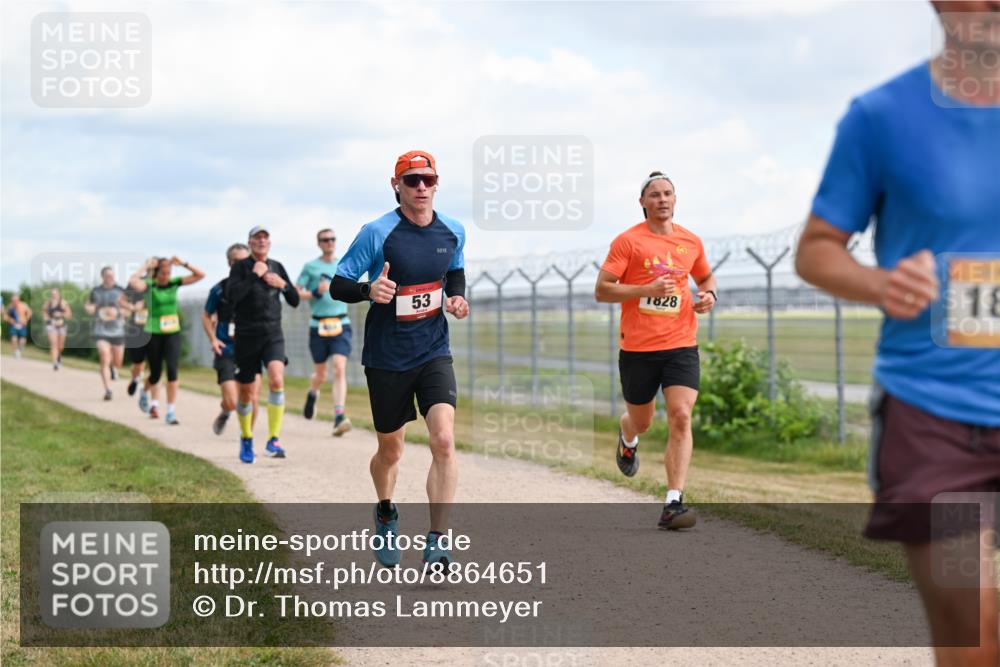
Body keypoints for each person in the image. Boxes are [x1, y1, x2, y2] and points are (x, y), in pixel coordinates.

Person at [795, 4, 999, 663]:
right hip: (938, 420)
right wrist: (884, 284)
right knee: (975, 629)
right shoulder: (881, 117)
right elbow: (817, 249)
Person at [332, 150, 468, 569]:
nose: (421, 187)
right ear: (397, 185)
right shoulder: (377, 232)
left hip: (433, 351)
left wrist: (457, 297)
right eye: (412, 181)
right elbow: (338, 283)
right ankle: (386, 510)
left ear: (437, 183)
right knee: (391, 451)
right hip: (388, 357)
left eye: (428, 179)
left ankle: (438, 540)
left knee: (443, 440)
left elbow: (455, 269)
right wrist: (367, 291)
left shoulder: (454, 229)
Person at [595, 171, 717, 530]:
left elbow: (706, 277)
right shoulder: (628, 242)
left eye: (668, 193)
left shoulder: (690, 241)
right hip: (637, 348)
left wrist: (709, 295)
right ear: (643, 202)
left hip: (681, 344)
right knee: (643, 422)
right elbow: (602, 290)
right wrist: (643, 289)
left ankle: (673, 502)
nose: (662, 199)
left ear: (675, 200)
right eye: (654, 194)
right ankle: (628, 435)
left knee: (681, 415)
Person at [226, 226, 299, 462]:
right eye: (257, 238)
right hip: (246, 336)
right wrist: (254, 275)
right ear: (250, 242)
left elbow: (295, 300)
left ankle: (273, 439)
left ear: (269, 243)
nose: (261, 241)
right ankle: (246, 437)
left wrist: (283, 285)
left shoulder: (277, 266)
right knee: (247, 393)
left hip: (272, 334)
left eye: (265, 237)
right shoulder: (240, 267)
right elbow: (232, 297)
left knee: (277, 379)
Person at [128, 256, 205, 422]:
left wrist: (184, 263)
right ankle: (144, 391)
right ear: (156, 273)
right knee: (155, 374)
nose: (166, 276)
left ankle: (170, 412)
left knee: (172, 369)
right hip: (153, 332)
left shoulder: (174, 282)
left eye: (169, 272)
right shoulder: (149, 285)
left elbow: (200, 275)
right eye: (163, 273)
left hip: (172, 331)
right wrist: (145, 266)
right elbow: (133, 281)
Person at [297, 228, 353, 435]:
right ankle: (313, 392)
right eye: (325, 240)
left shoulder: (344, 265)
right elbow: (296, 293)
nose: (329, 242)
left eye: (332, 239)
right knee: (321, 374)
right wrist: (314, 292)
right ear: (318, 243)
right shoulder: (311, 267)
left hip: (341, 323)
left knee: (339, 367)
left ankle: (339, 415)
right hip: (318, 326)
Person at [202, 243, 261, 435]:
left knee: (252, 396)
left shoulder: (258, 287)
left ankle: (247, 439)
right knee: (232, 401)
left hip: (251, 348)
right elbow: (206, 315)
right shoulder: (219, 290)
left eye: (245, 260)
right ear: (229, 263)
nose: (241, 264)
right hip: (226, 349)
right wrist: (213, 339)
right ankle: (226, 410)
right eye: (236, 261)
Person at [85, 267, 130, 400]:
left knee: (118, 361)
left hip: (117, 331)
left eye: (112, 275)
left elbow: (128, 310)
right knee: (104, 356)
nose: (110, 277)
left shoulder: (120, 290)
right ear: (102, 276)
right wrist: (90, 309)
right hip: (101, 330)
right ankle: (108, 390)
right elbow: (89, 306)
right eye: (107, 275)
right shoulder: (96, 291)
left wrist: (120, 312)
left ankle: (114, 368)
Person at [124, 268, 151, 407]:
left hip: (155, 329)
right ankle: (135, 378)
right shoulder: (137, 283)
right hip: (138, 329)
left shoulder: (162, 284)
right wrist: (133, 308)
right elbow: (121, 300)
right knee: (138, 364)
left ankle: (153, 403)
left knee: (154, 367)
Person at [42, 288, 72, 370]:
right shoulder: (48, 303)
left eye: (55, 293)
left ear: (59, 294)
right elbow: (44, 313)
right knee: (54, 344)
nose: (54, 295)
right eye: (52, 294)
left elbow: (69, 315)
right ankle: (55, 363)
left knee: (60, 346)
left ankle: (59, 356)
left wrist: (61, 314)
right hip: (51, 326)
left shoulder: (63, 303)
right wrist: (48, 319)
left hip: (62, 326)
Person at [4, 294, 32, 359]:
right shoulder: (10, 307)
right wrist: (10, 320)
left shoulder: (24, 305)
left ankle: (20, 349)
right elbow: (5, 316)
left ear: (18, 300)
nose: (14, 302)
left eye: (16, 300)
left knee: (23, 339)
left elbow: (30, 312)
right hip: (14, 325)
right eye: (13, 300)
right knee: (14, 338)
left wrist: (26, 320)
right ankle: (15, 352)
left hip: (22, 325)